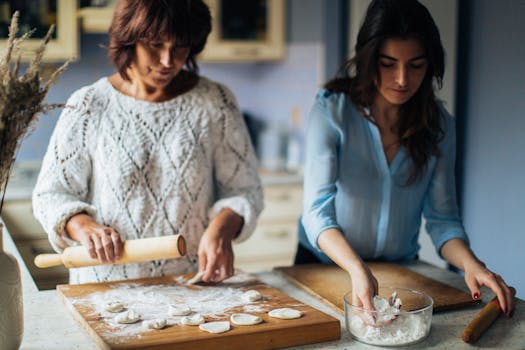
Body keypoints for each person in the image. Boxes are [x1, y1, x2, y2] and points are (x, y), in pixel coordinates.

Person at [296, 0, 514, 318]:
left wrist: (472, 265)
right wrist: (357, 268)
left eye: (416, 65)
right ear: (369, 60)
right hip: (323, 266)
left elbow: (443, 221)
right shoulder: (331, 112)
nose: (401, 79)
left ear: (430, 65)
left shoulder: (439, 125)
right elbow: (316, 214)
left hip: (401, 272)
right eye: (387, 63)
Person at [32, 0, 263, 285]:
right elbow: (50, 194)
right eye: (155, 44)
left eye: (180, 46)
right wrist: (83, 226)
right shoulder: (89, 104)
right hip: (104, 285)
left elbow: (246, 190)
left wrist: (221, 229)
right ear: (129, 40)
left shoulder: (216, 102)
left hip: (190, 282)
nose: (168, 61)